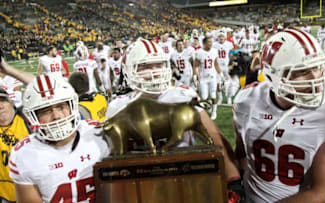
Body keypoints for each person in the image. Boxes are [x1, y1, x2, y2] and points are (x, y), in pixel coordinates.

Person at [233, 28, 325, 202]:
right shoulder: (247, 101)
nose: (316, 77)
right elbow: (241, 155)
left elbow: (323, 194)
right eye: (302, 71)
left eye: (317, 66)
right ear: (273, 75)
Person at [106, 38, 242, 200]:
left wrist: (233, 180)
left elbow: (216, 141)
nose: (154, 71)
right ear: (128, 70)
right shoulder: (118, 106)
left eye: (159, 65)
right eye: (145, 66)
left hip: (184, 180)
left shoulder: (181, 95)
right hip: (139, 186)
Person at [0, 60, 110, 202]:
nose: (56, 116)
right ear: (34, 116)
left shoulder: (99, 133)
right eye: (46, 111)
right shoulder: (24, 155)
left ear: (72, 106)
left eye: (60, 107)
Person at [0, 87, 31, 203]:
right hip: (4, 195)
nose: (0, 106)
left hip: (32, 191)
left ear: (11, 102)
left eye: (3, 101)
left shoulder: (27, 120)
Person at [194, 37, 223, 120]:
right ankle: (209, 107)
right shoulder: (199, 52)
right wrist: (195, 76)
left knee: (213, 94)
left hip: (213, 76)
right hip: (203, 77)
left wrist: (220, 74)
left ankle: (214, 112)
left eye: (211, 42)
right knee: (204, 96)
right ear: (204, 43)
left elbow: (216, 63)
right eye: (209, 42)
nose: (210, 44)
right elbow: (196, 66)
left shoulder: (214, 51)